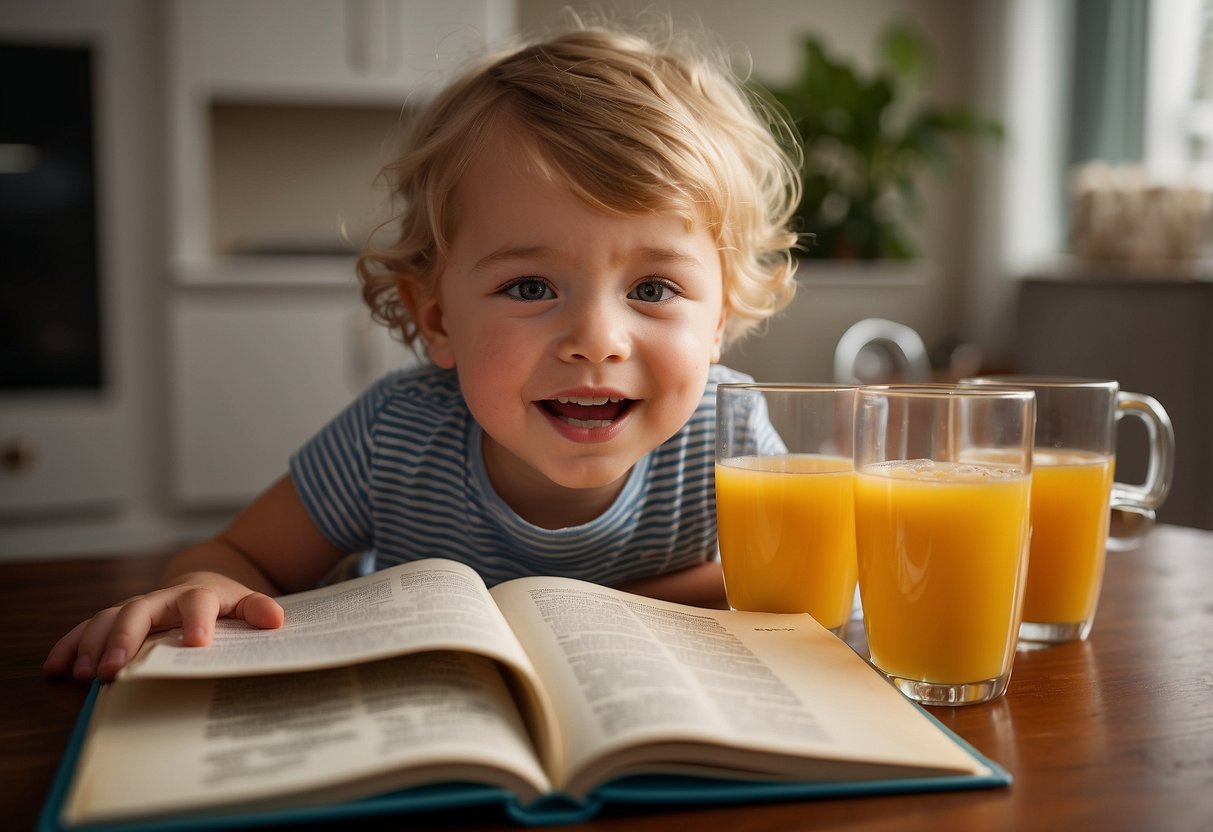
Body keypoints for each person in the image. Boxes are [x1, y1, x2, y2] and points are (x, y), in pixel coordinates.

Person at [45, 20, 802, 683]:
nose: (596, 342)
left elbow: (788, 586)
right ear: (436, 318)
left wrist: (585, 613)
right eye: (532, 288)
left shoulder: (727, 433)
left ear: (718, 321)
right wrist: (204, 589)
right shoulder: (394, 436)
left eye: (656, 289)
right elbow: (243, 559)